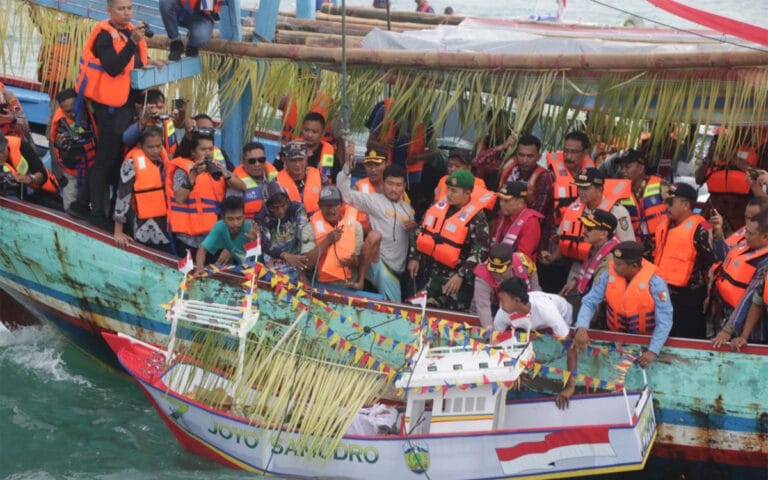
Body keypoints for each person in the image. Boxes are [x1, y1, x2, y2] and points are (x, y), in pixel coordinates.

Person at [75, 0, 163, 228]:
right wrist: (132, 42)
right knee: (105, 161)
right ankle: (94, 213)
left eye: (129, 8)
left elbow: (133, 62)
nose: (126, 13)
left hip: (125, 106)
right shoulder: (105, 35)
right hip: (109, 108)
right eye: (121, 9)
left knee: (114, 158)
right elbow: (113, 67)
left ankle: (89, 205)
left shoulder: (130, 32)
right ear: (109, 11)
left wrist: (150, 62)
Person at [573, 241, 673, 369]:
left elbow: (665, 320)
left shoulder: (656, 284)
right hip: (615, 339)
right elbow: (590, 302)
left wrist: (653, 351)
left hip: (646, 341)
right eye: (614, 262)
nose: (614, 267)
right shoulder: (607, 276)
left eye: (619, 264)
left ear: (634, 266)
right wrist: (581, 327)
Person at [408, 169, 491, 310]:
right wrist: (414, 257)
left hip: (457, 282)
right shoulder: (439, 207)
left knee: (450, 316)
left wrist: (461, 275)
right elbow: (421, 230)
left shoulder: (478, 219)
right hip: (433, 275)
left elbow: (480, 252)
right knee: (418, 308)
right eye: (448, 189)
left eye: (454, 191)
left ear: (467, 193)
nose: (449, 194)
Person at [493, 277, 577, 409]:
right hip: (531, 327)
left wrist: (571, 386)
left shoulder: (547, 311)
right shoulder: (503, 313)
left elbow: (571, 347)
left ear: (517, 301)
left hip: (565, 317)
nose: (500, 304)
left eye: (502, 300)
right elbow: (495, 343)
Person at [337, 162, 416, 301]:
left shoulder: (408, 210)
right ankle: (361, 280)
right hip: (378, 262)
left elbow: (414, 240)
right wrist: (347, 169)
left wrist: (414, 256)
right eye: (390, 184)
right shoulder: (374, 200)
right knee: (375, 235)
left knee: (394, 308)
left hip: (397, 270)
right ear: (383, 183)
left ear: (404, 186)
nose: (394, 189)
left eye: (398, 185)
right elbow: (346, 195)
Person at [166, 131, 245, 257]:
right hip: (188, 238)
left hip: (212, 238)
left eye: (210, 149)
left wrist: (226, 174)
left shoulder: (217, 168)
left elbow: (242, 187)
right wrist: (194, 174)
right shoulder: (183, 170)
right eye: (203, 149)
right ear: (193, 152)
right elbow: (179, 198)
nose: (208, 153)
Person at [653, 182, 713, 339]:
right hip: (663, 295)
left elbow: (714, 264)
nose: (666, 207)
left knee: (687, 339)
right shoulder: (665, 225)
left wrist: (710, 295)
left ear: (686, 204)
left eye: (671, 202)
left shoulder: (702, 228)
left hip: (689, 298)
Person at [113, 127, 172, 252]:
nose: (155, 150)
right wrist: (118, 231)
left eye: (158, 146)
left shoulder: (164, 160)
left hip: (166, 225)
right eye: (150, 147)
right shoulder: (131, 164)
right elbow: (123, 196)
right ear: (140, 145)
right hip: (142, 226)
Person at [710, 210, 768, 336]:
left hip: (750, 327)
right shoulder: (745, 245)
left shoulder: (764, 263)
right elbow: (723, 258)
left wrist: (728, 329)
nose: (746, 236)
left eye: (750, 234)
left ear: (765, 237)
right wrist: (718, 232)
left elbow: (749, 297)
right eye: (746, 231)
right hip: (726, 312)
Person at [300, 185, 368, 289]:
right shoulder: (309, 229)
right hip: (323, 285)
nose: (331, 209)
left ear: (341, 204)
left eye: (334, 205)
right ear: (319, 206)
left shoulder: (356, 226)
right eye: (326, 205)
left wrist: (353, 261)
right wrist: (327, 240)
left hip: (350, 285)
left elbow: (358, 263)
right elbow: (306, 264)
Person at [498, 133, 554, 250]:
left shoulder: (544, 176)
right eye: (521, 155)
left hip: (528, 231)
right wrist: (502, 147)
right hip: (503, 226)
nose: (524, 160)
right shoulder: (509, 169)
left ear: (538, 157)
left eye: (530, 156)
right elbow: (478, 162)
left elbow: (538, 212)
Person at [49, 88, 96, 212]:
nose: (73, 113)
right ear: (62, 109)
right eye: (68, 111)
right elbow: (65, 159)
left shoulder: (90, 111)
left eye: (75, 108)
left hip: (94, 169)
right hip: (73, 172)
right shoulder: (61, 126)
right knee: (69, 208)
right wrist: (63, 148)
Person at [473, 243, 540, 328]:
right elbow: (483, 307)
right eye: (493, 270)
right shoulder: (482, 277)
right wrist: (490, 331)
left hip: (518, 302)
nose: (496, 273)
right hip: (491, 307)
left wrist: (536, 303)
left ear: (511, 266)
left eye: (500, 271)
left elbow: (536, 290)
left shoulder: (522, 261)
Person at [561, 209, 620, 302]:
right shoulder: (595, 249)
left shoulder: (610, 259)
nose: (584, 231)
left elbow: (597, 296)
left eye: (589, 228)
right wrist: (575, 281)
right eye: (585, 226)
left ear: (603, 234)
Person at [255, 181, 309, 281]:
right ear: (267, 206)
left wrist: (302, 271)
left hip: (297, 260)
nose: (280, 211)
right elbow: (265, 245)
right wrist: (285, 256)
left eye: (283, 205)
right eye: (274, 208)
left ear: (288, 201)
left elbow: (304, 237)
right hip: (274, 266)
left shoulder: (297, 209)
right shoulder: (261, 217)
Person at [616, 148, 667, 251]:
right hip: (633, 250)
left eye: (627, 167)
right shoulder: (619, 192)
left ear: (640, 169)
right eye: (621, 167)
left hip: (660, 247)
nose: (623, 171)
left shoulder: (660, 185)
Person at [195, 196, 259, 272]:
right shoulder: (219, 226)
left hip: (262, 271)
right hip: (242, 270)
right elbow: (202, 249)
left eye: (239, 218)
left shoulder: (252, 227)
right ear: (223, 218)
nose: (235, 223)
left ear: (244, 217)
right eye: (230, 219)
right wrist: (199, 268)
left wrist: (255, 241)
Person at [0, 131, 60, 207]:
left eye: (2, 150)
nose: (1, 155)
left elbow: (42, 173)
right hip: (10, 198)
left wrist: (30, 178)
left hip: (38, 191)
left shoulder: (22, 146)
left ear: (7, 143)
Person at [547, 131, 595, 224]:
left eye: (574, 152)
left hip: (583, 228)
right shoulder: (551, 176)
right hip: (556, 227)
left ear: (585, 153)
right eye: (566, 151)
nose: (568, 156)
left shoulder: (594, 176)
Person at [122, 89, 182, 156]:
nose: (155, 111)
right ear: (142, 108)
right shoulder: (138, 125)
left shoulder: (167, 122)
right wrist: (142, 123)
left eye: (160, 107)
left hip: (167, 160)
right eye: (151, 108)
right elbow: (126, 139)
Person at [493, 181, 542, 261]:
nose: (501, 204)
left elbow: (523, 257)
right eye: (500, 199)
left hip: (517, 266)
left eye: (506, 200)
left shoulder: (530, 223)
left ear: (520, 202)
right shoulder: (502, 215)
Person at [160, 0, 225, 60]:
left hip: (202, 17)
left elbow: (208, 7)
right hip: (181, 10)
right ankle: (175, 42)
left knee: (201, 37)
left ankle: (192, 46)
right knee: (165, 3)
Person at [276, 140, 325, 216]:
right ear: (284, 160)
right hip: (289, 221)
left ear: (306, 158)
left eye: (301, 159)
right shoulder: (276, 183)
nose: (297, 164)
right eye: (293, 160)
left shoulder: (321, 178)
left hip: (315, 220)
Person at [231, 141, 278, 217]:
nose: (257, 164)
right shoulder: (236, 183)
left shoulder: (275, 179)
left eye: (261, 160)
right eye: (252, 161)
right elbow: (232, 215)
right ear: (243, 162)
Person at [297, 112, 337, 185]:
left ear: (322, 133)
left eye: (314, 132)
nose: (309, 135)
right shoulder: (289, 150)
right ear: (301, 129)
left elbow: (337, 184)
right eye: (306, 130)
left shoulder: (330, 156)